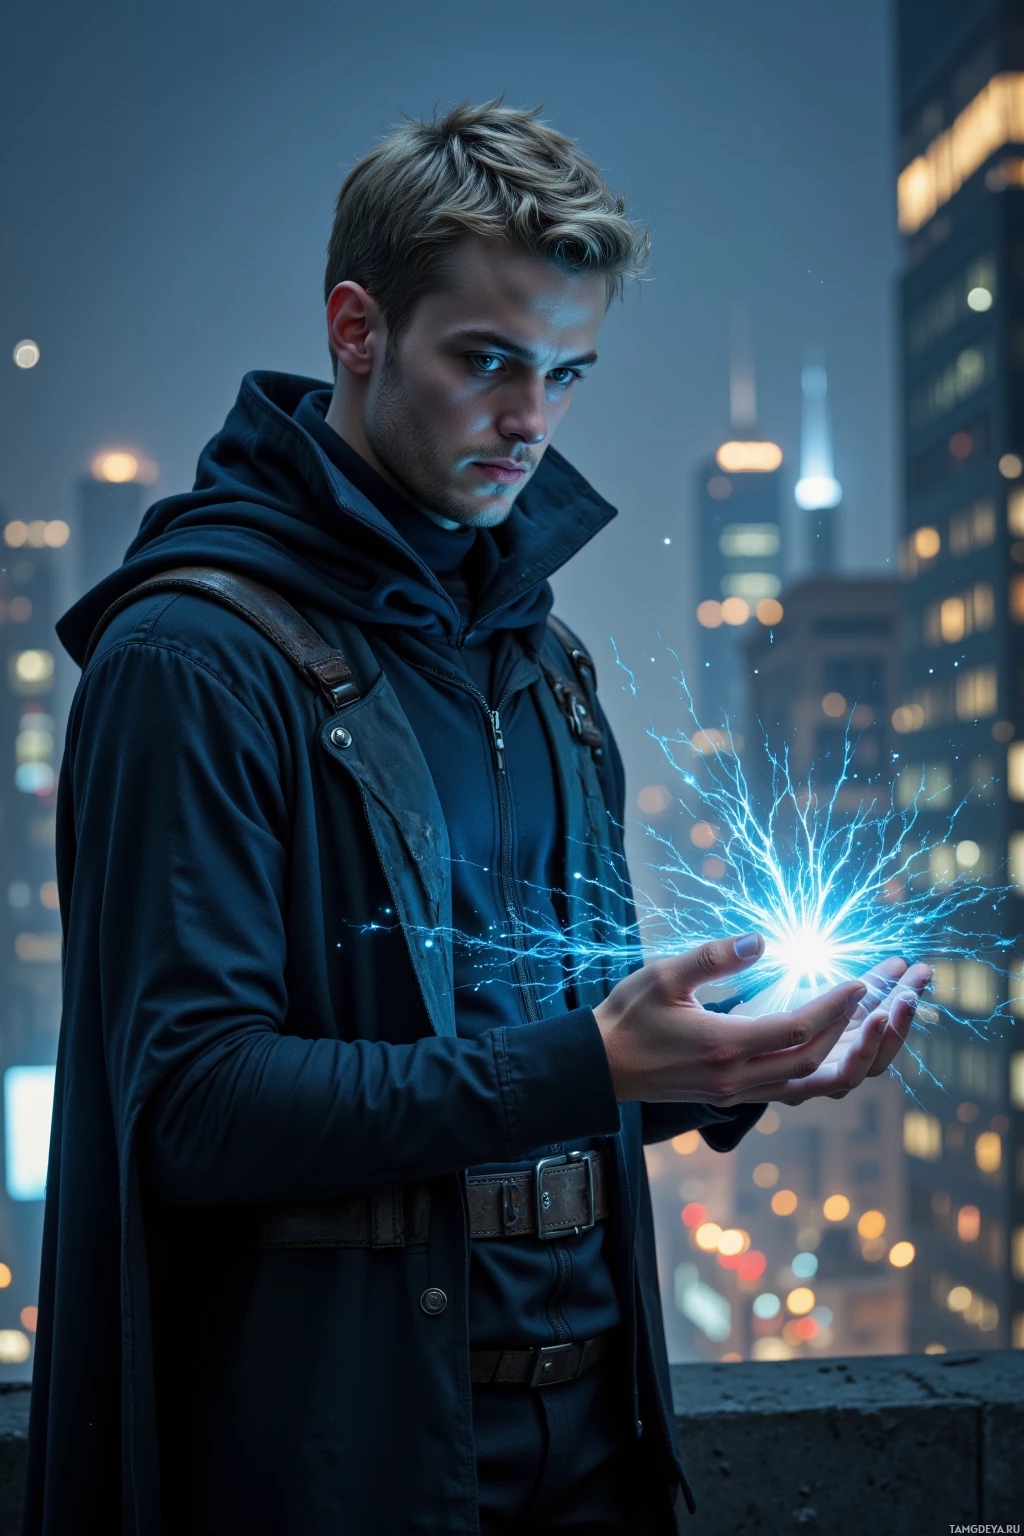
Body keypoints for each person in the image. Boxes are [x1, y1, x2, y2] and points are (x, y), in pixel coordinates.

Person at [23, 99, 928, 1536]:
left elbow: (555, 1070)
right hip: (346, 1462)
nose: (530, 420)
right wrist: (594, 1062)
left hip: (602, 1449)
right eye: (488, 362)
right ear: (357, 329)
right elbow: (191, 1110)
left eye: (566, 373)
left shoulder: (543, 662)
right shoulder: (192, 661)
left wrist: (729, 1064)